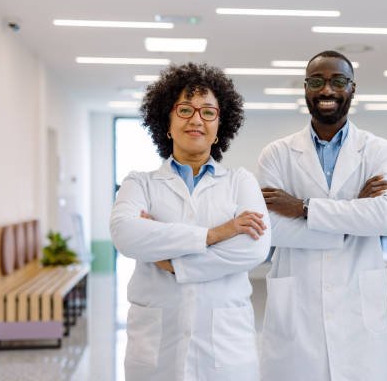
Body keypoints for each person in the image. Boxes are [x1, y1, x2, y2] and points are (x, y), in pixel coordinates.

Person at [110, 63, 271, 381]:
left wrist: (170, 262)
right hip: (157, 348)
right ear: (166, 123)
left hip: (225, 349)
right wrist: (216, 234)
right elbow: (125, 234)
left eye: (208, 112)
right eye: (185, 109)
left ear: (219, 127)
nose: (196, 119)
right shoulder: (140, 182)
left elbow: (253, 250)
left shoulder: (241, 182)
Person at [257, 50, 387, 381]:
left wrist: (303, 208)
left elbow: (386, 219)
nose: (327, 90)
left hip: (358, 312)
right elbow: (272, 229)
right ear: (306, 88)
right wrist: (354, 215)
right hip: (297, 311)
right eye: (317, 81)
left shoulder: (380, 151)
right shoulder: (277, 154)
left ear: (352, 88)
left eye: (338, 81)